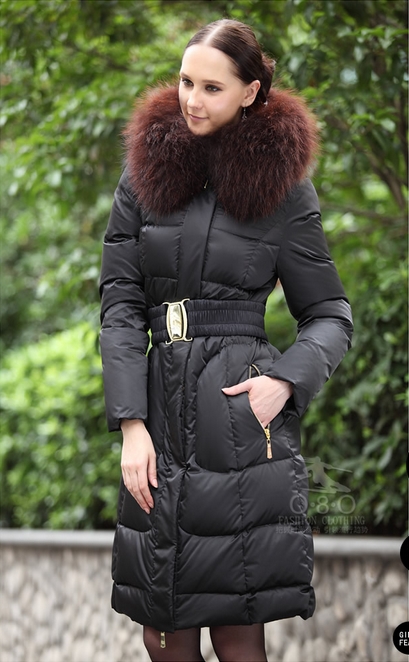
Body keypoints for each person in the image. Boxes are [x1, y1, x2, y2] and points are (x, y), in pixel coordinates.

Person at [99, 18, 353, 662]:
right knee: (163, 635)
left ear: (250, 92)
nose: (192, 99)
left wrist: (284, 383)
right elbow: (121, 306)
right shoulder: (143, 174)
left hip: (241, 426)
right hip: (157, 421)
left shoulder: (283, 188)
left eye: (212, 87)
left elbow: (330, 313)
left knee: (238, 636)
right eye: (186, 81)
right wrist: (130, 423)